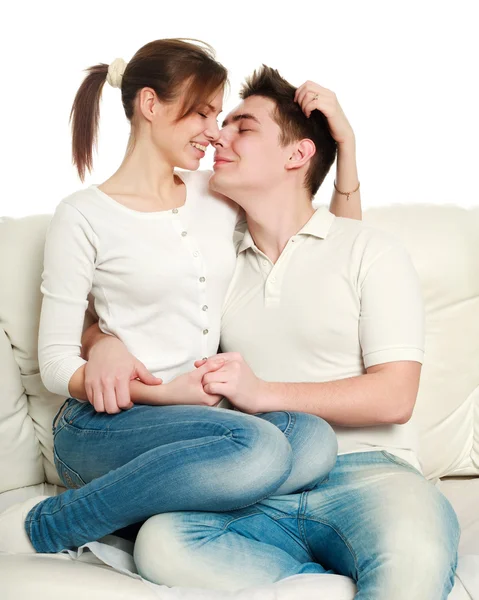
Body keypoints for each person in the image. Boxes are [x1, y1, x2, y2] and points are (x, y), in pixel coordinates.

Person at [0, 39, 360, 554]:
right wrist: (154, 386)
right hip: (105, 428)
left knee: (312, 439)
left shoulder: (216, 193)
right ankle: (48, 526)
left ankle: (153, 513)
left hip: (208, 425)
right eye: (204, 113)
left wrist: (345, 147)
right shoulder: (82, 215)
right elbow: (56, 364)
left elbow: (334, 251)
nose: (215, 132)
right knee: (257, 447)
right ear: (150, 105)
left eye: (220, 115)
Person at [127, 66, 460, 600]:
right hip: (262, 481)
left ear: (297, 155)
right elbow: (123, 282)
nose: (219, 135)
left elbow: (395, 395)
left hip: (368, 473)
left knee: (413, 557)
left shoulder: (369, 250)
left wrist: (263, 394)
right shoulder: (214, 261)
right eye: (221, 124)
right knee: (163, 543)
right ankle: (319, 585)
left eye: (243, 127)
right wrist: (102, 345)